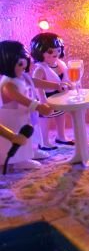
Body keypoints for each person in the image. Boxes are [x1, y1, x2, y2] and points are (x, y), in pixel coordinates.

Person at [0, 41, 57, 171]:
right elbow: (21, 99)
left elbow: (34, 82)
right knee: (18, 138)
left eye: (24, 62)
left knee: (32, 134)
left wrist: (55, 85)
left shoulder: (22, 76)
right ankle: (19, 160)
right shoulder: (8, 84)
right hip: (12, 119)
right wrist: (38, 106)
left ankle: (32, 151)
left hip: (25, 114)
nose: (23, 66)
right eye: (19, 64)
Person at [29, 32, 72, 149]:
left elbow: (65, 79)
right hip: (46, 98)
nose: (55, 53)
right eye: (50, 51)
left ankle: (61, 136)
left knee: (61, 116)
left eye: (58, 50)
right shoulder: (40, 69)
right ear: (39, 53)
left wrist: (69, 87)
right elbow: (37, 86)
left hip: (59, 97)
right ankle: (44, 141)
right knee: (45, 120)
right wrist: (42, 100)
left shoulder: (60, 64)